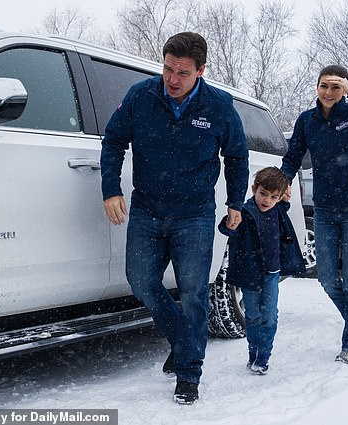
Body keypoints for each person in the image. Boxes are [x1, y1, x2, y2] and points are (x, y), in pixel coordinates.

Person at [99, 32, 249, 404]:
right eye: (167, 68)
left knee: (195, 294)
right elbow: (114, 140)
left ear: (201, 71)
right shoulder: (140, 96)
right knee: (142, 282)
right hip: (147, 210)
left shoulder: (218, 106)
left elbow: (237, 155)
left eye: (183, 72)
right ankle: (185, 341)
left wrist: (234, 202)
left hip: (194, 216)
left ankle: (189, 373)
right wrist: (110, 188)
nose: (173, 79)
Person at [281, 65, 348, 364]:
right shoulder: (306, 121)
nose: (329, 93)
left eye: (336, 87)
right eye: (324, 86)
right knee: (326, 278)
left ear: (344, 90)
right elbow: (293, 156)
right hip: (325, 208)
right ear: (316, 87)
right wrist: (282, 181)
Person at [218, 167, 305, 375]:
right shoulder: (245, 212)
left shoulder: (279, 210)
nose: (267, 200)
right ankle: (253, 352)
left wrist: (285, 190)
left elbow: (285, 200)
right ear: (254, 189)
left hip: (272, 273)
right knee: (253, 315)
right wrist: (229, 224)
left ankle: (264, 356)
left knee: (270, 315)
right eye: (263, 194)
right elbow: (226, 228)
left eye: (273, 197)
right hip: (249, 273)